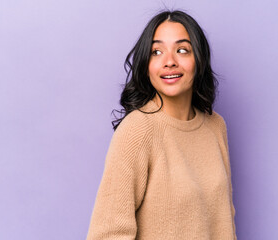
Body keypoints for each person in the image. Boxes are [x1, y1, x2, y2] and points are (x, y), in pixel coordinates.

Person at [86, 10, 237, 239]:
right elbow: (108, 233)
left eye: (182, 50)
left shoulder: (215, 126)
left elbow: (225, 222)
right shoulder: (138, 129)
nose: (169, 62)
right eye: (156, 52)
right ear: (147, 65)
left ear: (199, 59)